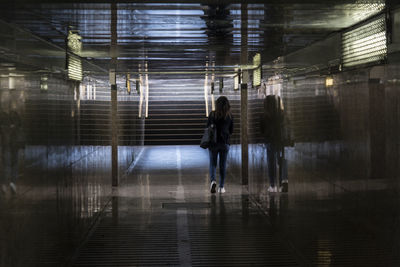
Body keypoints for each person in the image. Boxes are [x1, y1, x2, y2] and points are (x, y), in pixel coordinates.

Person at [260, 95, 289, 193]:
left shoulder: (264, 115)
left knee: (271, 163)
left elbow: (262, 130)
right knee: (281, 160)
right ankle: (282, 182)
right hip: (280, 141)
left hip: (269, 142)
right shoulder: (281, 113)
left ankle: (272, 185)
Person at [207, 96, 233, 194]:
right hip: (225, 143)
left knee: (213, 164)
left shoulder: (212, 114)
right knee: (223, 165)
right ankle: (221, 187)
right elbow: (231, 130)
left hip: (213, 143)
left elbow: (207, 127)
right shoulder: (229, 116)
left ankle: (213, 181)